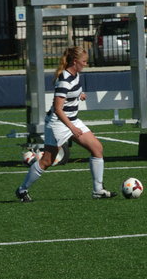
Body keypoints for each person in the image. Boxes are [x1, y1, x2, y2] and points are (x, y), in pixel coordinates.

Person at [16, 46, 116, 202]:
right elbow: (57, 109)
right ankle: (22, 190)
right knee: (47, 161)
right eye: (84, 62)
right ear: (75, 62)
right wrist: (72, 127)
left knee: (97, 148)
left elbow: (71, 93)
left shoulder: (75, 75)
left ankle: (98, 191)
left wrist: (79, 95)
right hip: (58, 124)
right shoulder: (64, 80)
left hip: (72, 120)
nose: (86, 64)